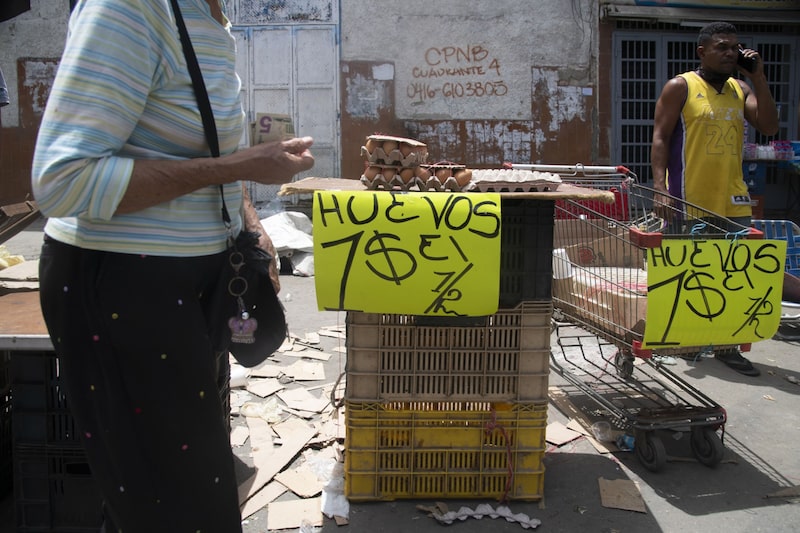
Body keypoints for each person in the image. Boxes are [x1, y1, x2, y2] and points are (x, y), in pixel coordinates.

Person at [30, 1, 314, 532]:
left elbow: (200, 150)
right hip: (124, 287)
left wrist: (247, 220)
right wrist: (239, 167)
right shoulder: (130, 7)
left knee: (168, 492)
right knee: (180, 505)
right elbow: (62, 181)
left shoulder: (205, 15)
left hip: (183, 287)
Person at [651, 21, 779, 377]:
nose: (730, 53)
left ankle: (726, 345)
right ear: (702, 51)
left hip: (733, 197)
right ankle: (681, 337)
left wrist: (759, 78)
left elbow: (769, 127)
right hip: (688, 197)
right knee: (685, 273)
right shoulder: (681, 86)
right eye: (722, 46)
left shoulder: (740, 88)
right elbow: (660, 138)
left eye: (735, 47)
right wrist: (660, 189)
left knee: (734, 274)